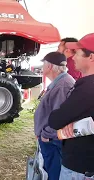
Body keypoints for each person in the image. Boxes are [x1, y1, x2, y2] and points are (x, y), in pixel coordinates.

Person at [48, 33, 94, 180]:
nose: (72, 57)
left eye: (77, 53)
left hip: (80, 169)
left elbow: (55, 120)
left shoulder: (88, 88)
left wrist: (70, 122)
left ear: (91, 57)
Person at [34, 52, 75, 180]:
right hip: (51, 140)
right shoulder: (61, 82)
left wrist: (47, 135)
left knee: (54, 173)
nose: (42, 67)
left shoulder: (62, 86)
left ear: (50, 66)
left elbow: (61, 117)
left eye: (44, 64)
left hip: (53, 141)